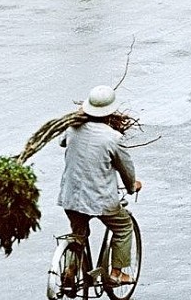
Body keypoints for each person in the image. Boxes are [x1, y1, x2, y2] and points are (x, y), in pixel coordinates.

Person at [58, 85, 143, 286]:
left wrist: (77, 118)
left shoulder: (73, 129)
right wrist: (132, 186)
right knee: (123, 227)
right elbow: (126, 169)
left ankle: (71, 268)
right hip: (101, 200)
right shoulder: (112, 138)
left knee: (78, 235)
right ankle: (116, 273)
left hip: (71, 198)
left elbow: (62, 142)